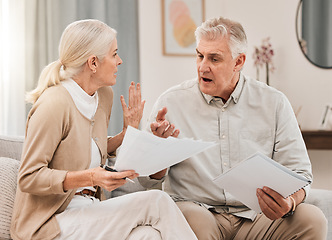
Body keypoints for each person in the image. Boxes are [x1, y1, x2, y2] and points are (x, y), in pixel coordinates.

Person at [140, 16, 328, 239]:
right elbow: (145, 180)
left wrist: (289, 202)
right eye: (200, 56)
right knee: (191, 218)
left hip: (257, 218)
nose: (202, 67)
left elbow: (301, 173)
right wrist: (158, 155)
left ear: (239, 62)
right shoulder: (170, 103)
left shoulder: (274, 103)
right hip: (198, 211)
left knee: (312, 220)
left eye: (214, 59)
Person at [10, 19, 197, 240]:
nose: (120, 61)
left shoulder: (102, 96)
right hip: (51, 222)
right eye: (114, 54)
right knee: (158, 201)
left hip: (88, 209)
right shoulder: (54, 104)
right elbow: (29, 177)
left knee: (147, 235)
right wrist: (90, 177)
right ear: (93, 63)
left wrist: (126, 135)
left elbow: (83, 147)